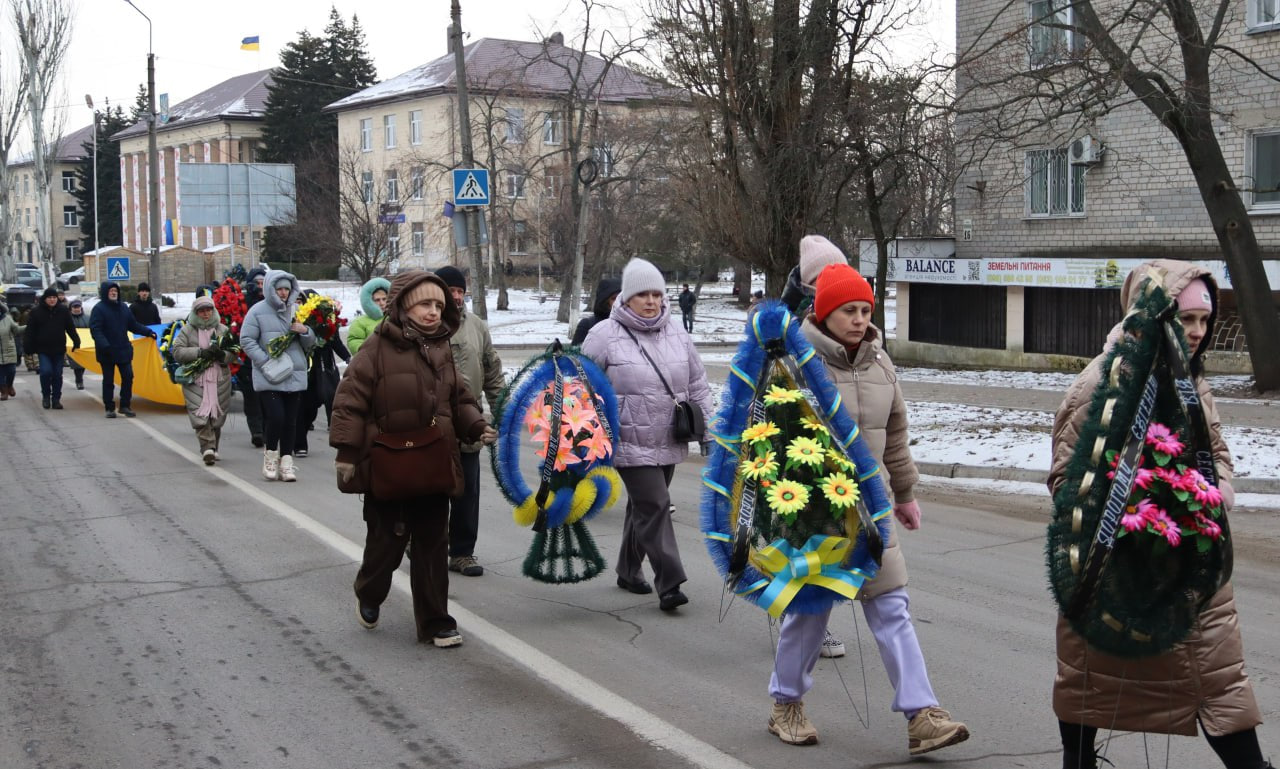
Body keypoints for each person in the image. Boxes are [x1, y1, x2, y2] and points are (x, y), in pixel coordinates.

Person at [1049, 260, 1269, 769]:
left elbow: (1215, 448)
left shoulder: (1190, 380)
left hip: (1195, 569)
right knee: (1089, 684)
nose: (1197, 332)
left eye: (1203, 321)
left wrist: (1218, 485)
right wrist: (1136, 511)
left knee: (1220, 686)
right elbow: (1067, 481)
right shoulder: (1100, 385)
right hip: (1120, 573)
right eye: (1185, 319)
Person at [766, 261, 968, 755]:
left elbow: (894, 436)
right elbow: (771, 438)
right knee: (810, 614)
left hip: (873, 510)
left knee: (891, 606)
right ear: (823, 312)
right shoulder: (794, 362)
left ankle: (922, 715)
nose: (859, 319)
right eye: (847, 311)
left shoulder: (880, 364)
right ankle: (785, 703)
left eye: (864, 310)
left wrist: (905, 494)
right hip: (816, 511)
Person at [330, 270, 495, 648]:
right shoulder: (374, 349)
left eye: (438, 305)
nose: (433, 311)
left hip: (434, 464)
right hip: (390, 465)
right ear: (404, 305)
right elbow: (349, 403)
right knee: (386, 543)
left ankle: (436, 622)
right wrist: (347, 453)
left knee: (433, 547)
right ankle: (369, 592)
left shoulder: (442, 351)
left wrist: (475, 425)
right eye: (425, 303)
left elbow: (460, 399)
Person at [581, 257, 713, 612]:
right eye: (642, 294)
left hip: (670, 435)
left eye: (657, 293)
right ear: (625, 298)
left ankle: (627, 568)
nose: (651, 300)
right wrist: (591, 434)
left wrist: (709, 433)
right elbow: (583, 387)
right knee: (655, 505)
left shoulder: (677, 333)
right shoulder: (604, 335)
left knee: (644, 507)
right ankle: (670, 582)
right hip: (625, 439)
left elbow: (698, 386)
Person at [436, 265, 504, 577]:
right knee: (431, 487)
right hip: (432, 420)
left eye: (460, 291)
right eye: (450, 291)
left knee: (467, 489)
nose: (456, 296)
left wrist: (500, 408)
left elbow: (491, 369)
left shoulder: (477, 326)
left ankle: (462, 553)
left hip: (469, 419)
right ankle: (424, 542)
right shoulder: (428, 323)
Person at [240, 269, 314, 482]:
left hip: (295, 373)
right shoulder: (257, 311)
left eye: (286, 289)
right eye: (279, 289)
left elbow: (310, 344)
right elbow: (246, 340)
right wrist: (264, 361)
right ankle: (270, 456)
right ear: (270, 289)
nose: (283, 293)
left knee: (291, 420)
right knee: (276, 416)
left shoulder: (297, 311)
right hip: (269, 375)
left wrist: (305, 331)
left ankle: (287, 463)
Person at [170, 296, 238, 464]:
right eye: (202, 311)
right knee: (200, 414)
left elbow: (234, 352)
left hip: (219, 378)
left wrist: (223, 355)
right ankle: (207, 447)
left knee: (216, 416)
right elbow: (177, 352)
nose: (205, 314)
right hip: (196, 378)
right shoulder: (188, 330)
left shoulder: (223, 329)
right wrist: (200, 352)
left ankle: (213, 447)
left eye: (208, 310)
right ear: (196, 313)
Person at [295, 289, 351, 457]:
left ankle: (300, 433)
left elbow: (336, 343)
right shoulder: (296, 321)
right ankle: (299, 444)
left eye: (301, 300)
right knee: (300, 406)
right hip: (301, 369)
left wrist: (348, 358)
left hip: (321, 370)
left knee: (313, 407)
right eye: (296, 300)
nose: (298, 303)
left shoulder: (325, 322)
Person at [90, 281, 158, 418]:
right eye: (111, 291)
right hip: (107, 352)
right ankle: (109, 407)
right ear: (105, 293)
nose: (114, 293)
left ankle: (125, 405)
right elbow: (96, 330)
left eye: (115, 291)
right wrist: (104, 345)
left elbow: (133, 325)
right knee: (108, 380)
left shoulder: (123, 308)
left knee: (128, 377)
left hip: (123, 350)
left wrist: (148, 332)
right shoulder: (99, 309)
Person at [24, 287, 81, 409]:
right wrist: (28, 346)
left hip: (59, 349)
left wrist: (76, 340)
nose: (52, 300)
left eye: (54, 297)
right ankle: (46, 396)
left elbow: (70, 327)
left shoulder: (63, 310)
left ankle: (56, 399)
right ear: (45, 299)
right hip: (43, 349)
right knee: (45, 372)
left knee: (57, 374)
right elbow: (30, 331)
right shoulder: (36, 312)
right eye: (49, 298)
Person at [238, 265, 269, 447]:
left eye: (262, 283)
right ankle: (256, 430)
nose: (259, 286)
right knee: (251, 396)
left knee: (267, 395)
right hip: (247, 358)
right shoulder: (242, 304)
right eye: (256, 283)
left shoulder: (271, 303)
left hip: (268, 357)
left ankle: (266, 428)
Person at [781, 234, 848, 314]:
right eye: (827, 276)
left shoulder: (856, 310)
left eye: (843, 274)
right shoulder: (785, 323)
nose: (838, 281)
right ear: (808, 284)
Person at [346, 276, 390, 355]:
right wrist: (368, 353)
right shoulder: (360, 322)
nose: (382, 303)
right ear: (369, 301)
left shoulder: (395, 317)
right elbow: (354, 341)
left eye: (384, 299)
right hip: (372, 362)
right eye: (377, 300)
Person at [571, 277, 621, 346]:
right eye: (614, 298)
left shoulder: (634, 324)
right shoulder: (588, 324)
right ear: (605, 302)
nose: (619, 302)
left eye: (622, 297)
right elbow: (575, 354)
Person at [0, 298, 25, 401]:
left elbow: (17, 330)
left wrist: (29, 326)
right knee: (0, 374)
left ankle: (9, 385)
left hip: (9, 349)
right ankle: (4, 391)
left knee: (11, 371)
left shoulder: (7, 318)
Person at [67, 299, 89, 390]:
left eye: (78, 307)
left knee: (83, 363)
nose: (77, 309)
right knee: (76, 363)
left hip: (85, 344)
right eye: (74, 307)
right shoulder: (67, 319)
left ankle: (79, 378)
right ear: (71, 308)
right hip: (72, 344)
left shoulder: (87, 318)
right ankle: (79, 380)